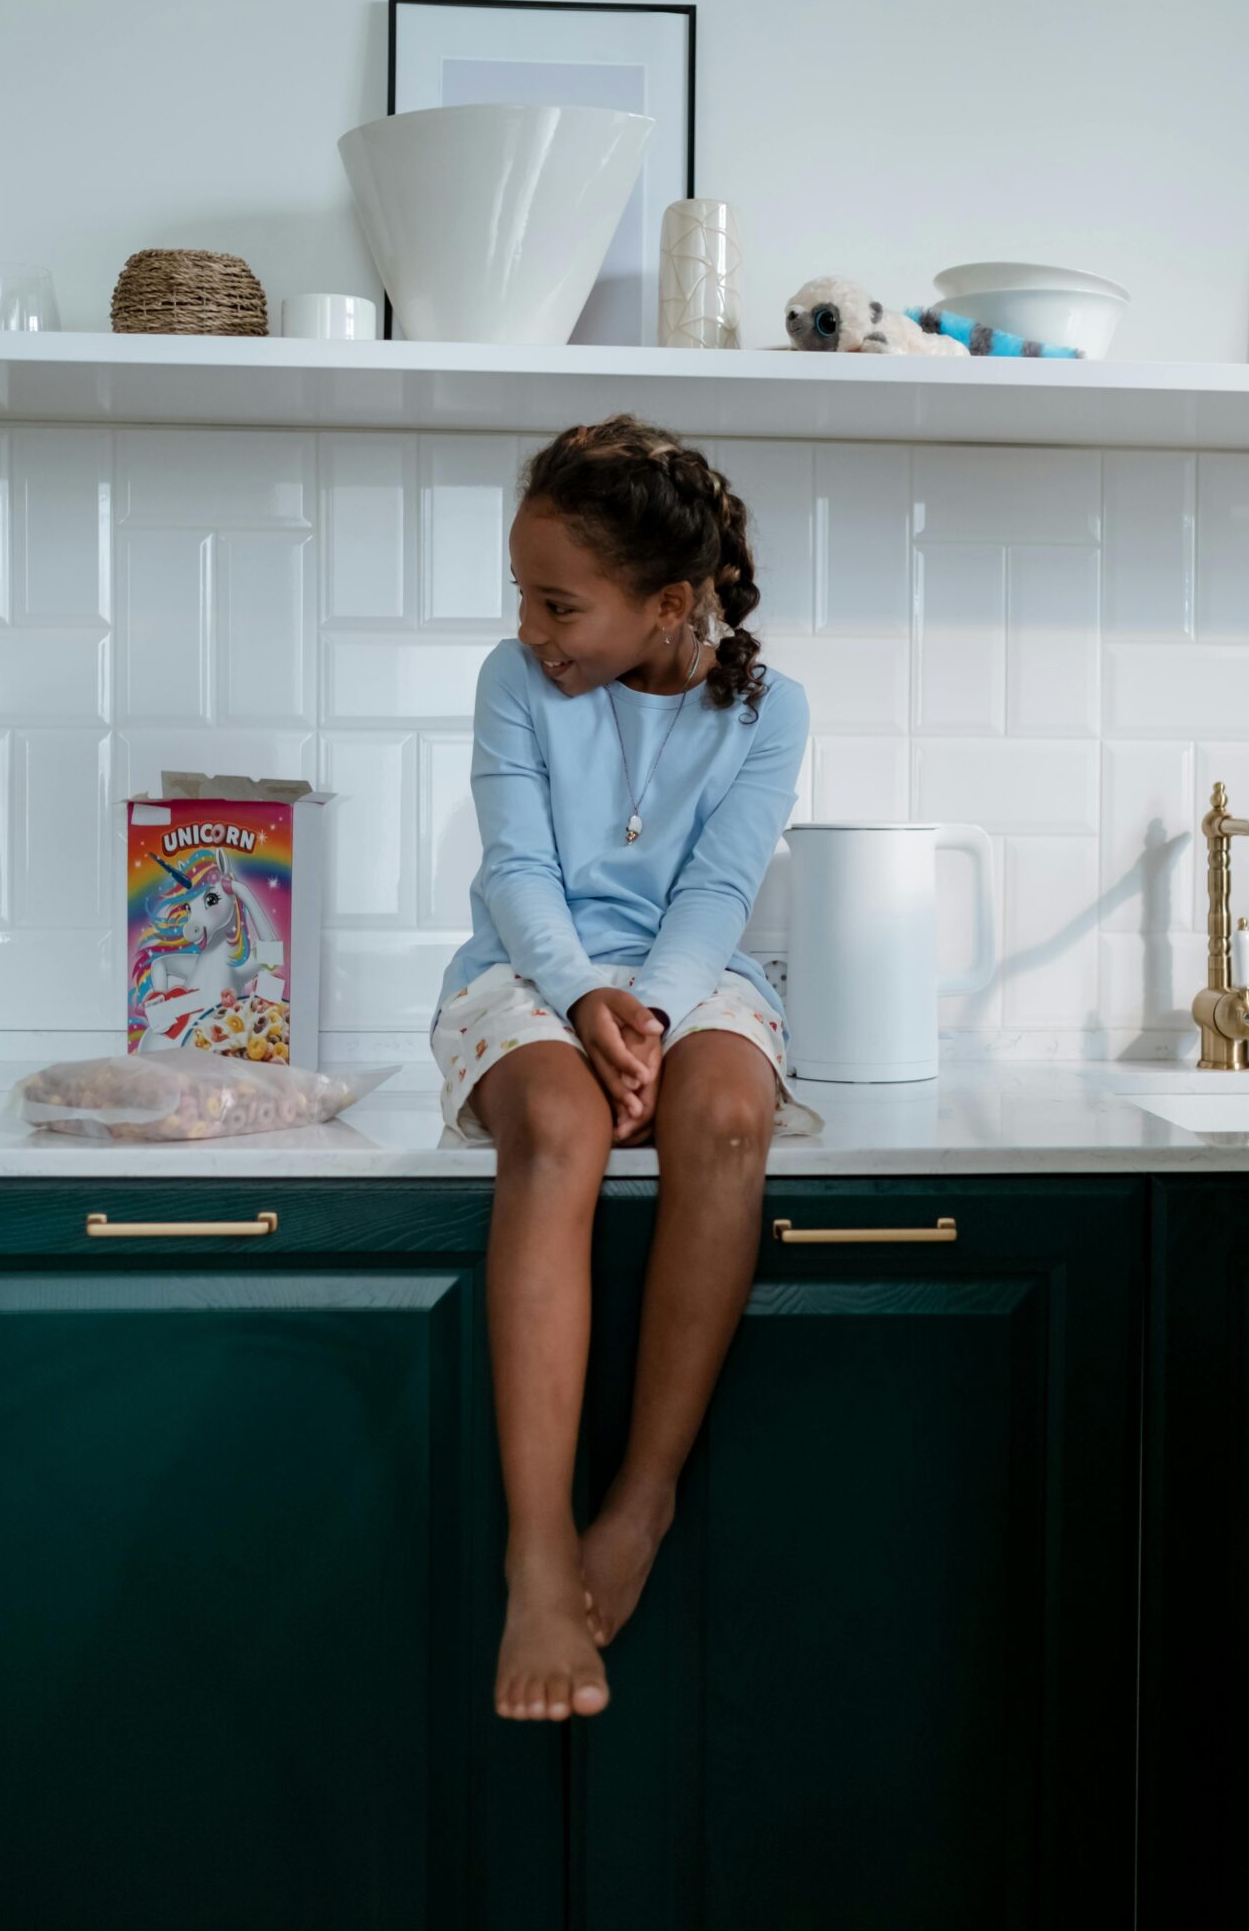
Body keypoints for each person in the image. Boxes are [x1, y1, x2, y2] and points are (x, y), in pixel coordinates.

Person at [430, 412, 820, 1725]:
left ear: (669, 604)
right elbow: (517, 872)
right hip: (528, 963)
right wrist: (586, 997)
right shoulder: (514, 682)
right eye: (525, 599)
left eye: (560, 604)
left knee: (720, 1119)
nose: (537, 630)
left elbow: (719, 891)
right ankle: (535, 1549)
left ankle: (643, 1496)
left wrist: (646, 1012)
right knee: (559, 1122)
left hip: (688, 967)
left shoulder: (765, 710)